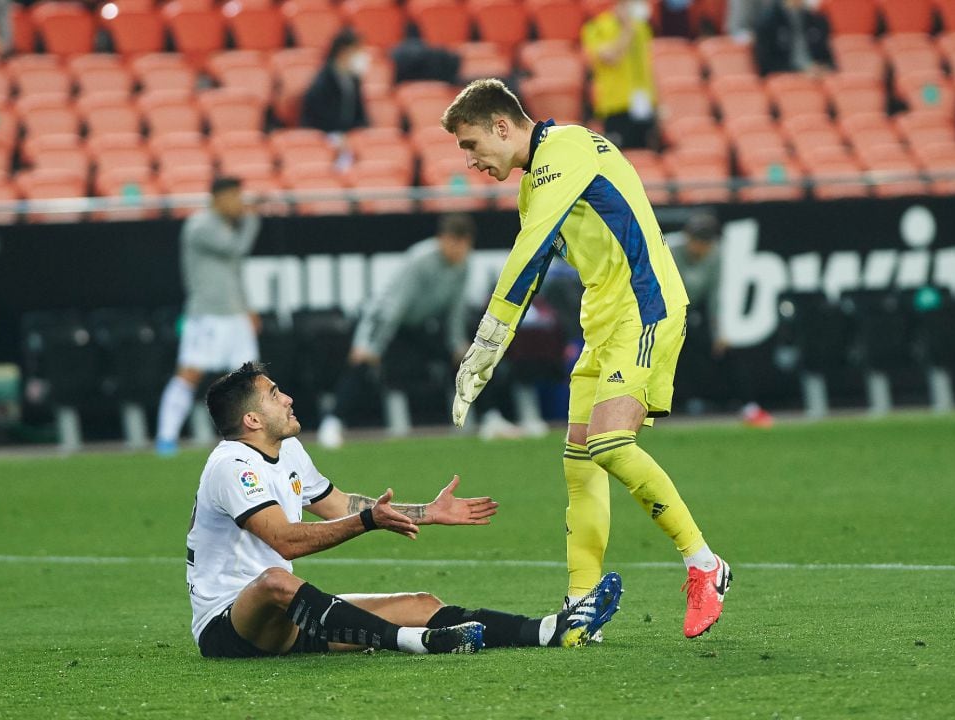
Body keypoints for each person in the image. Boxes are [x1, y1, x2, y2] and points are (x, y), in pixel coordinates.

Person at [440, 78, 732, 639]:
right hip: (602, 324)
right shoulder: (536, 186)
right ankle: (582, 607)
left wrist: (486, 341)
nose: (470, 162)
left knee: (609, 443)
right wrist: (488, 356)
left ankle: (705, 565)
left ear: (503, 126)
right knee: (579, 463)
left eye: (471, 145)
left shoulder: (564, 150)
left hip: (644, 309)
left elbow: (525, 258)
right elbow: (535, 271)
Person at [187, 361, 624, 657]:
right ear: (252, 421)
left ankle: (551, 630)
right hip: (229, 625)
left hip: (289, 619)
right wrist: (367, 522)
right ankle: (418, 642)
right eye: (274, 394)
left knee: (421, 601)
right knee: (275, 581)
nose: (287, 398)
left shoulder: (291, 450)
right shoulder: (232, 466)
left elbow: (339, 505)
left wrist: (424, 512)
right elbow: (284, 540)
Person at [315, 213, 522, 448]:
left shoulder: (463, 266)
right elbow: (394, 308)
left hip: (418, 326)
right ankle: (332, 423)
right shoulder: (420, 259)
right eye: (455, 243)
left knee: (470, 359)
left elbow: (454, 311)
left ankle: (491, 418)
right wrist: (370, 345)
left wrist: (457, 345)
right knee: (364, 363)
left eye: (465, 245)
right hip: (386, 322)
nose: (460, 251)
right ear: (443, 239)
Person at [155, 176, 262, 456]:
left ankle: (251, 438)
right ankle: (166, 438)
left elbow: (235, 271)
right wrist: (253, 221)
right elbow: (235, 249)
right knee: (190, 373)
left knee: (249, 378)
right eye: (235, 197)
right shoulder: (200, 225)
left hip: (235, 314)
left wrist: (247, 307)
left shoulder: (228, 228)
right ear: (218, 198)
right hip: (207, 315)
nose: (240, 203)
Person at [669, 211, 774, 426]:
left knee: (725, 351)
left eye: (704, 242)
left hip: (696, 310)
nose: (699, 247)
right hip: (666, 310)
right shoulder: (670, 252)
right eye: (696, 240)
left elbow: (714, 296)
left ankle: (749, 407)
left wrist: (718, 332)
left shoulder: (715, 255)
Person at [581, 0, 658, 151]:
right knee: (620, 156)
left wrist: (657, 102)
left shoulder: (642, 27)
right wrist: (627, 29)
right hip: (615, 105)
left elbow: (647, 65)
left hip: (643, 103)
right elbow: (611, 57)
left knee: (644, 157)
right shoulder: (597, 27)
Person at [300, 28, 369, 135]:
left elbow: (360, 114)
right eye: (358, 50)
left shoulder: (354, 79)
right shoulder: (323, 81)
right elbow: (316, 117)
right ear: (344, 52)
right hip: (324, 135)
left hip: (347, 135)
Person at [753, 0, 835, 76]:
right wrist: (800, 71)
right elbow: (765, 64)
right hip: (786, 77)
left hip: (816, 76)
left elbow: (828, 59)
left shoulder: (817, 19)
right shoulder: (767, 21)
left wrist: (822, 68)